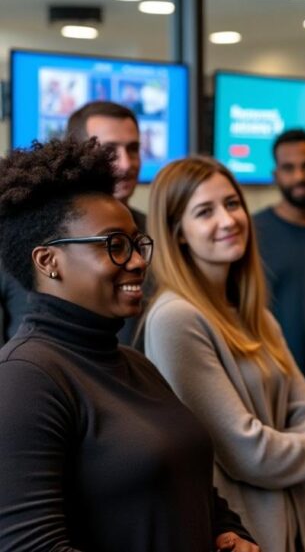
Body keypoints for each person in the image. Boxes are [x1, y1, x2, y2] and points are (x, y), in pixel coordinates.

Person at [0, 138, 257, 551]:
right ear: (48, 261)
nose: (138, 261)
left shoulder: (135, 364)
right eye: (114, 246)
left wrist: (228, 532)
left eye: (137, 244)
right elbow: (30, 545)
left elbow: (188, 486)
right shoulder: (25, 379)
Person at [144, 156, 305, 552]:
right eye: (205, 211)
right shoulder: (176, 318)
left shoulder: (259, 317)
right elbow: (248, 454)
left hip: (297, 523)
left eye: (232, 204)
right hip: (247, 534)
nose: (229, 220)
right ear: (177, 232)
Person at [1, 101, 146, 344]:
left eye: (133, 149)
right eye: (110, 151)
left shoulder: (161, 235)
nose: (126, 164)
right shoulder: (16, 242)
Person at [254, 129, 305, 385]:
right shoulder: (251, 234)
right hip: (272, 378)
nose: (299, 177)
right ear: (275, 175)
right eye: (289, 168)